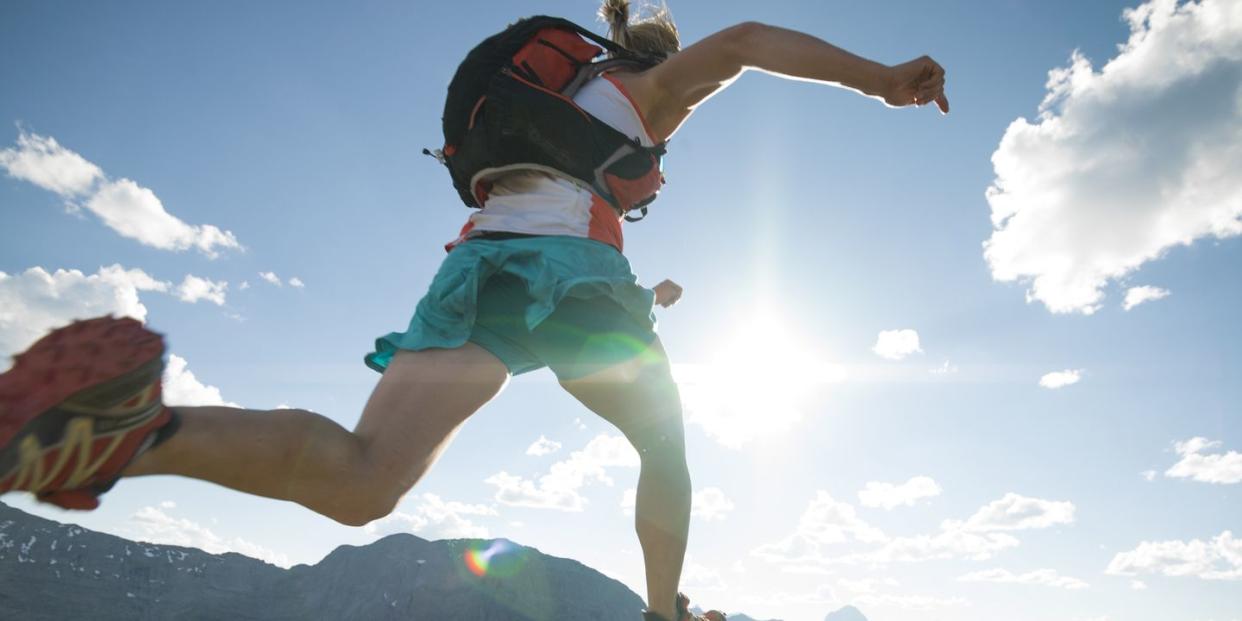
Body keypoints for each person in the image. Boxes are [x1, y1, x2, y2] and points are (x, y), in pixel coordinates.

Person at [0, 1, 947, 619]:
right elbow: (740, 44)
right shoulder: (648, 92)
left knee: (363, 481)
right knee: (665, 450)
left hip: (479, 272)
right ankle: (664, 614)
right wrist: (882, 78)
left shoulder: (547, 93)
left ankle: (132, 430)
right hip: (572, 273)